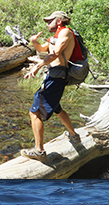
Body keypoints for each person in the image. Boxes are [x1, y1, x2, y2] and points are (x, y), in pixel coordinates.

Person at [21, 10, 82, 161]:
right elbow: (43, 50)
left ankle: (39, 151)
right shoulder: (55, 36)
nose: (47, 23)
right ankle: (74, 136)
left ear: (59, 21)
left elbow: (55, 54)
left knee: (34, 112)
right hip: (55, 76)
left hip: (56, 76)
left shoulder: (65, 33)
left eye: (50, 20)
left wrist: (36, 67)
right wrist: (34, 41)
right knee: (56, 108)